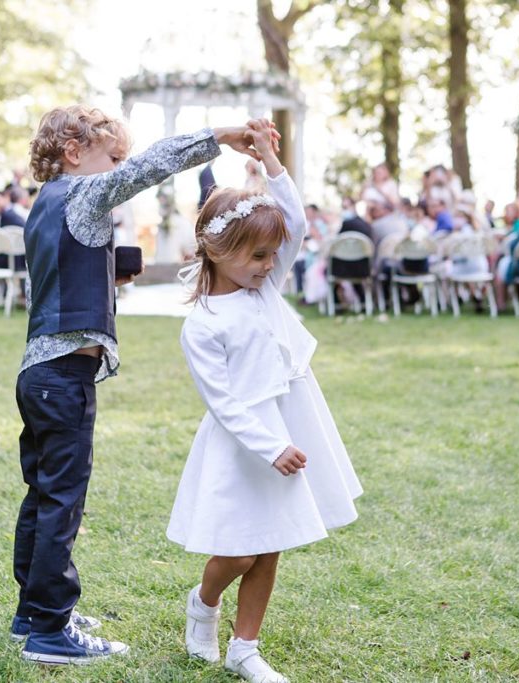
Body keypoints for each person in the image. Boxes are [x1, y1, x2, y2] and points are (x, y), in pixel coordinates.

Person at [12, 104, 262, 666]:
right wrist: (219, 136)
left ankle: (32, 612)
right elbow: (150, 166)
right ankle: (51, 632)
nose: (121, 171)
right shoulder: (83, 192)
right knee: (62, 502)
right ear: (74, 153)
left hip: (36, 373)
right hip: (64, 376)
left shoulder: (43, 204)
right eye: (113, 159)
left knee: (42, 496)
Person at [171, 120, 361, 683]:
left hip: (288, 421)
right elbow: (225, 404)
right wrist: (270, 445)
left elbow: (295, 222)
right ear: (216, 248)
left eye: (271, 256)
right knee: (239, 551)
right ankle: (204, 603)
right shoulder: (203, 324)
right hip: (245, 442)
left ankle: (245, 647)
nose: (266, 265)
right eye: (256, 255)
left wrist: (271, 164)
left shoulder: (266, 283)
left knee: (273, 541)